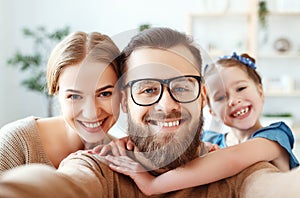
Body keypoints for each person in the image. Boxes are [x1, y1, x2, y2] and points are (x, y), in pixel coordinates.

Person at [0, 27, 293, 198]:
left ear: (202, 96)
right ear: (125, 101)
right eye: (148, 89)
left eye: (182, 86)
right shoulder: (103, 163)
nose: (167, 106)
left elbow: (271, 188)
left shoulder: (232, 165)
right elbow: (66, 184)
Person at [103, 52, 299, 196]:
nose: (233, 100)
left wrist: (153, 185)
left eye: (240, 88)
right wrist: (134, 140)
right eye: (221, 97)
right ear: (210, 107)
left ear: (260, 91)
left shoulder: (275, 136)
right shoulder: (211, 141)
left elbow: (233, 159)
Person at [0, 31, 120, 173]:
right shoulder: (16, 142)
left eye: (104, 94)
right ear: (56, 92)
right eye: (75, 96)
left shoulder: (118, 155)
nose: (91, 112)